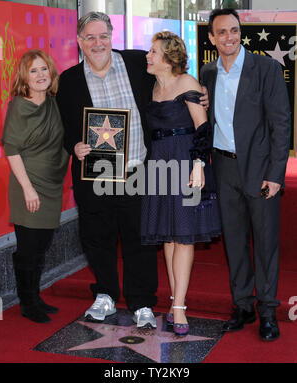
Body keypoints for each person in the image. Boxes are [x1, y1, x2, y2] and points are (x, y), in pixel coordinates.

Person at [56, 12, 159, 328]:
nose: (97, 43)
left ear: (112, 35)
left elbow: (170, 85)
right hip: (96, 174)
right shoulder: (69, 80)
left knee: (139, 238)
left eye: (102, 35)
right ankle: (105, 294)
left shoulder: (139, 63)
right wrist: (74, 146)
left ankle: (141, 302)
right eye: (89, 37)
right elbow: (65, 129)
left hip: (136, 169)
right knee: (97, 237)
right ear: (79, 42)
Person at [200, 8, 291, 341]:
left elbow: (281, 124)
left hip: (261, 171)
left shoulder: (265, 69)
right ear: (212, 38)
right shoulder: (207, 73)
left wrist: (276, 174)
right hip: (223, 168)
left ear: (241, 32)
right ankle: (243, 306)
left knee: (265, 242)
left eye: (234, 30)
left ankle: (268, 311)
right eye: (222, 32)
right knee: (235, 241)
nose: (229, 37)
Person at [141, 31, 221, 336]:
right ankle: (176, 301)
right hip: (160, 163)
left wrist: (199, 166)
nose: (148, 56)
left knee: (184, 235)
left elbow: (203, 129)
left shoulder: (187, 83)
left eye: (153, 52)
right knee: (169, 235)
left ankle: (179, 308)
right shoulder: (153, 86)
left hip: (187, 162)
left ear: (168, 57)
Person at [1, 49, 69, 323]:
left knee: (41, 245)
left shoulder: (54, 102)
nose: (40, 75)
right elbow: (12, 149)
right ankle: (27, 302)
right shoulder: (19, 106)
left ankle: (34, 295)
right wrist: (28, 189)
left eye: (44, 69)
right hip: (27, 184)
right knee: (29, 247)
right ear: (24, 77)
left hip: (52, 184)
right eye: (33, 71)